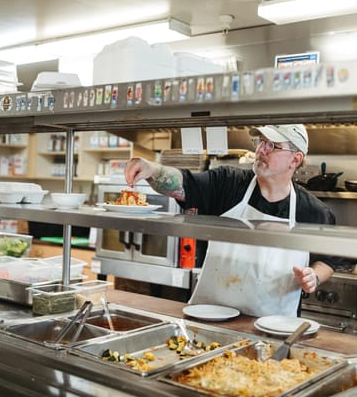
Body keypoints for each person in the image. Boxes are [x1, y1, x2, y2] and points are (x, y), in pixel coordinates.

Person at [125, 124, 338, 317]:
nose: (260, 150)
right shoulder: (227, 184)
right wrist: (151, 170)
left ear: (295, 159)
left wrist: (314, 277)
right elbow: (183, 184)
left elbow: (329, 260)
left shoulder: (313, 212)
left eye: (272, 145)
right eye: (260, 142)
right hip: (211, 319)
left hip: (273, 329)